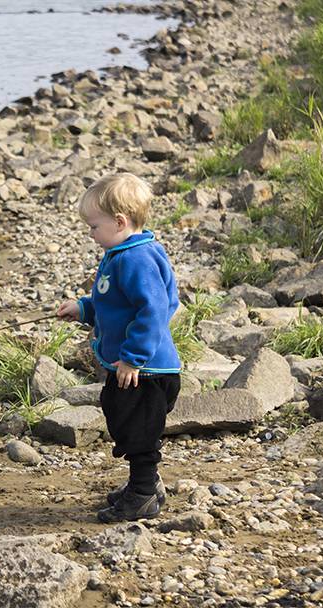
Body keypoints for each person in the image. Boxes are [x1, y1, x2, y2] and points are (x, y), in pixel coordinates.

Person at [57, 172, 182, 522]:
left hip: (146, 370)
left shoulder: (136, 259)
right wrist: (84, 308)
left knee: (138, 431)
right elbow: (115, 303)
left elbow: (155, 310)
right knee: (122, 417)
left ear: (120, 222)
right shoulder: (122, 252)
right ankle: (146, 484)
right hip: (131, 366)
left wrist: (133, 358)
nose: (90, 233)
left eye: (94, 226)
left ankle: (143, 493)